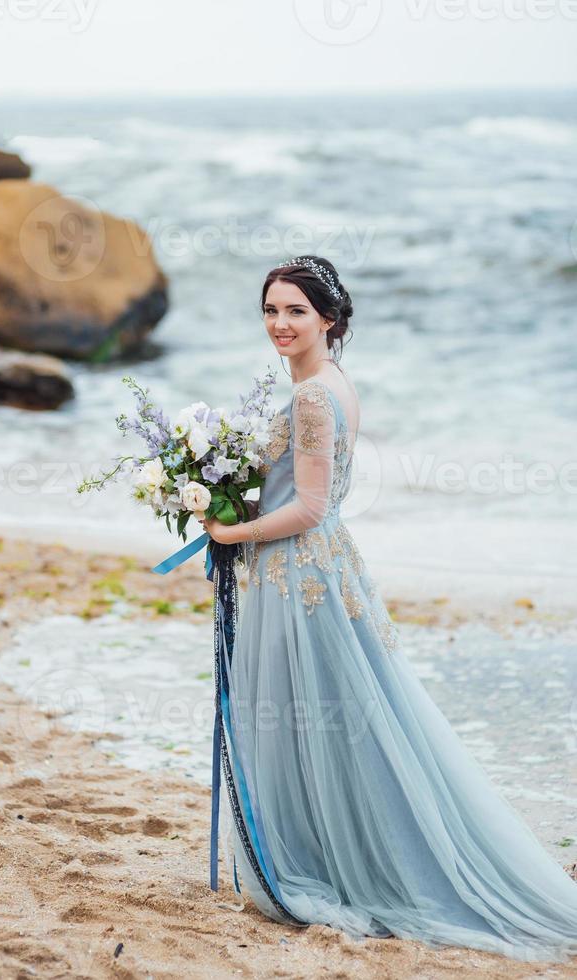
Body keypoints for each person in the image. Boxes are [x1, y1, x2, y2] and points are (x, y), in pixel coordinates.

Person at [200, 255, 577, 963]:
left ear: (330, 320)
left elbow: (309, 507)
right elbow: (307, 493)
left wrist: (230, 531)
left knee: (318, 718)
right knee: (341, 719)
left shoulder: (312, 398)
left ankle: (338, 864)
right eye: (271, 310)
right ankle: (335, 847)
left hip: (296, 575)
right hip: (320, 568)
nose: (280, 324)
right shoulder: (331, 384)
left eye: (296, 312)